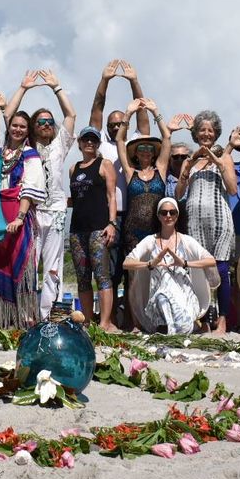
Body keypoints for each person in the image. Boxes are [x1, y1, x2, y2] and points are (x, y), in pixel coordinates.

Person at [3, 69, 75, 319]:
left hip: (54, 211)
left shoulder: (60, 145)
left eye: (49, 122)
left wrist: (56, 87)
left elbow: (71, 114)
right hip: (30, 212)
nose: (45, 125)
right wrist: (23, 88)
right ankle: (26, 316)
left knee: (53, 267)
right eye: (40, 122)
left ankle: (49, 317)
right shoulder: (26, 147)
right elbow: (9, 116)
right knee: (28, 266)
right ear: (33, 127)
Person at [89, 59, 150, 305]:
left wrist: (134, 81)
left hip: (137, 214)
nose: (115, 127)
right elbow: (96, 110)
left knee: (134, 267)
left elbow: (143, 115)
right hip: (111, 215)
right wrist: (104, 80)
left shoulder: (135, 143)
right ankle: (111, 316)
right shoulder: (100, 144)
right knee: (110, 269)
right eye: (112, 124)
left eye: (119, 123)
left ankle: (134, 315)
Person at [175, 110, 238, 334]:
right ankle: (203, 319)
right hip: (194, 223)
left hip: (220, 221)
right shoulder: (188, 162)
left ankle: (222, 320)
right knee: (199, 270)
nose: (206, 133)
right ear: (195, 133)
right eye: (202, 130)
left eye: (211, 130)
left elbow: (232, 189)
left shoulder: (225, 158)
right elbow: (179, 194)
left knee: (220, 269)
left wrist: (219, 163)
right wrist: (189, 165)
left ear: (216, 134)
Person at [0, 110, 47, 328]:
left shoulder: (30, 154)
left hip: (17, 213)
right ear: (8, 126)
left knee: (18, 263)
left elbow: (29, 188)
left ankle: (22, 318)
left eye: (23, 126)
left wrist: (20, 217)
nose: (18, 129)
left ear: (27, 130)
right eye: (15, 125)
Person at [115, 97, 172, 328]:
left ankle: (156, 321)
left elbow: (167, 137)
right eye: (141, 149)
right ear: (136, 154)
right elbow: (120, 140)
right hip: (132, 231)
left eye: (150, 148)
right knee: (134, 278)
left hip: (155, 230)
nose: (146, 151)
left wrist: (156, 111)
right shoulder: (130, 173)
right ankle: (135, 323)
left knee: (158, 274)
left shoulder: (161, 169)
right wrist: (127, 115)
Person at [123, 197, 217, 335]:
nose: (168, 216)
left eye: (172, 212)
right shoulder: (150, 240)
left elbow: (211, 261)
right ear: (158, 216)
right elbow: (126, 263)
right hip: (159, 299)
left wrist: (185, 263)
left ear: (177, 216)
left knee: (182, 327)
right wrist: (150, 264)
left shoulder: (186, 240)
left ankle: (178, 325)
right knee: (162, 296)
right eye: (164, 212)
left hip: (183, 298)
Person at [67, 126, 118, 330]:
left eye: (93, 140)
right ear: (79, 143)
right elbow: (77, 199)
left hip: (98, 227)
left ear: (98, 143)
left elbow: (111, 196)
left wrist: (112, 223)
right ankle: (87, 321)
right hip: (77, 229)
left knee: (102, 275)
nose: (90, 143)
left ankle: (105, 322)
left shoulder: (104, 164)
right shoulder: (73, 169)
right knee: (82, 277)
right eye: (86, 139)